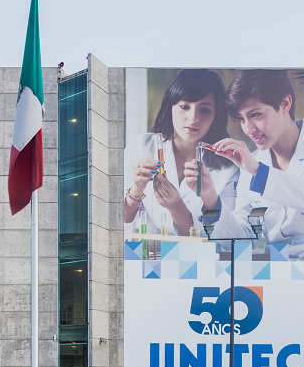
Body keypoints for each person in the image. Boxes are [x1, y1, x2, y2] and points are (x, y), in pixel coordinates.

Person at [199, 70, 304, 258]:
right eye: (241, 119)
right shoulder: (252, 164)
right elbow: (242, 241)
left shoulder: (254, 167)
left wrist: (257, 171)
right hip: (278, 273)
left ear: (285, 104)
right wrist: (211, 200)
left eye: (255, 115)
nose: (248, 129)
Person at [125, 69, 239, 236]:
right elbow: (116, 224)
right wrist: (136, 189)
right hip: (150, 255)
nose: (193, 118)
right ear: (170, 106)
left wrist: (176, 206)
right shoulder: (142, 147)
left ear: (217, 114)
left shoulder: (228, 168)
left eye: (204, 110)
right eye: (184, 106)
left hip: (201, 259)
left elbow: (224, 239)